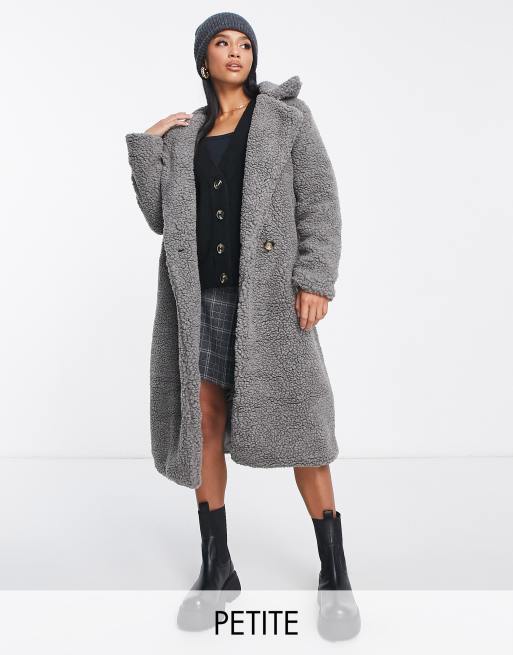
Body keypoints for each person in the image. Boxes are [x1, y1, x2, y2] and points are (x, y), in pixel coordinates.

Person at [125, 11, 361, 641]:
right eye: (222, 43)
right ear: (203, 59)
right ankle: (217, 567)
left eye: (246, 44)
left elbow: (320, 200)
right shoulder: (188, 136)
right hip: (199, 299)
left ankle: (335, 572)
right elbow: (159, 216)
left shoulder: (287, 118)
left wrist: (316, 277)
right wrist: (149, 142)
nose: (236, 52)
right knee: (204, 422)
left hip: (269, 301)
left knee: (304, 428)